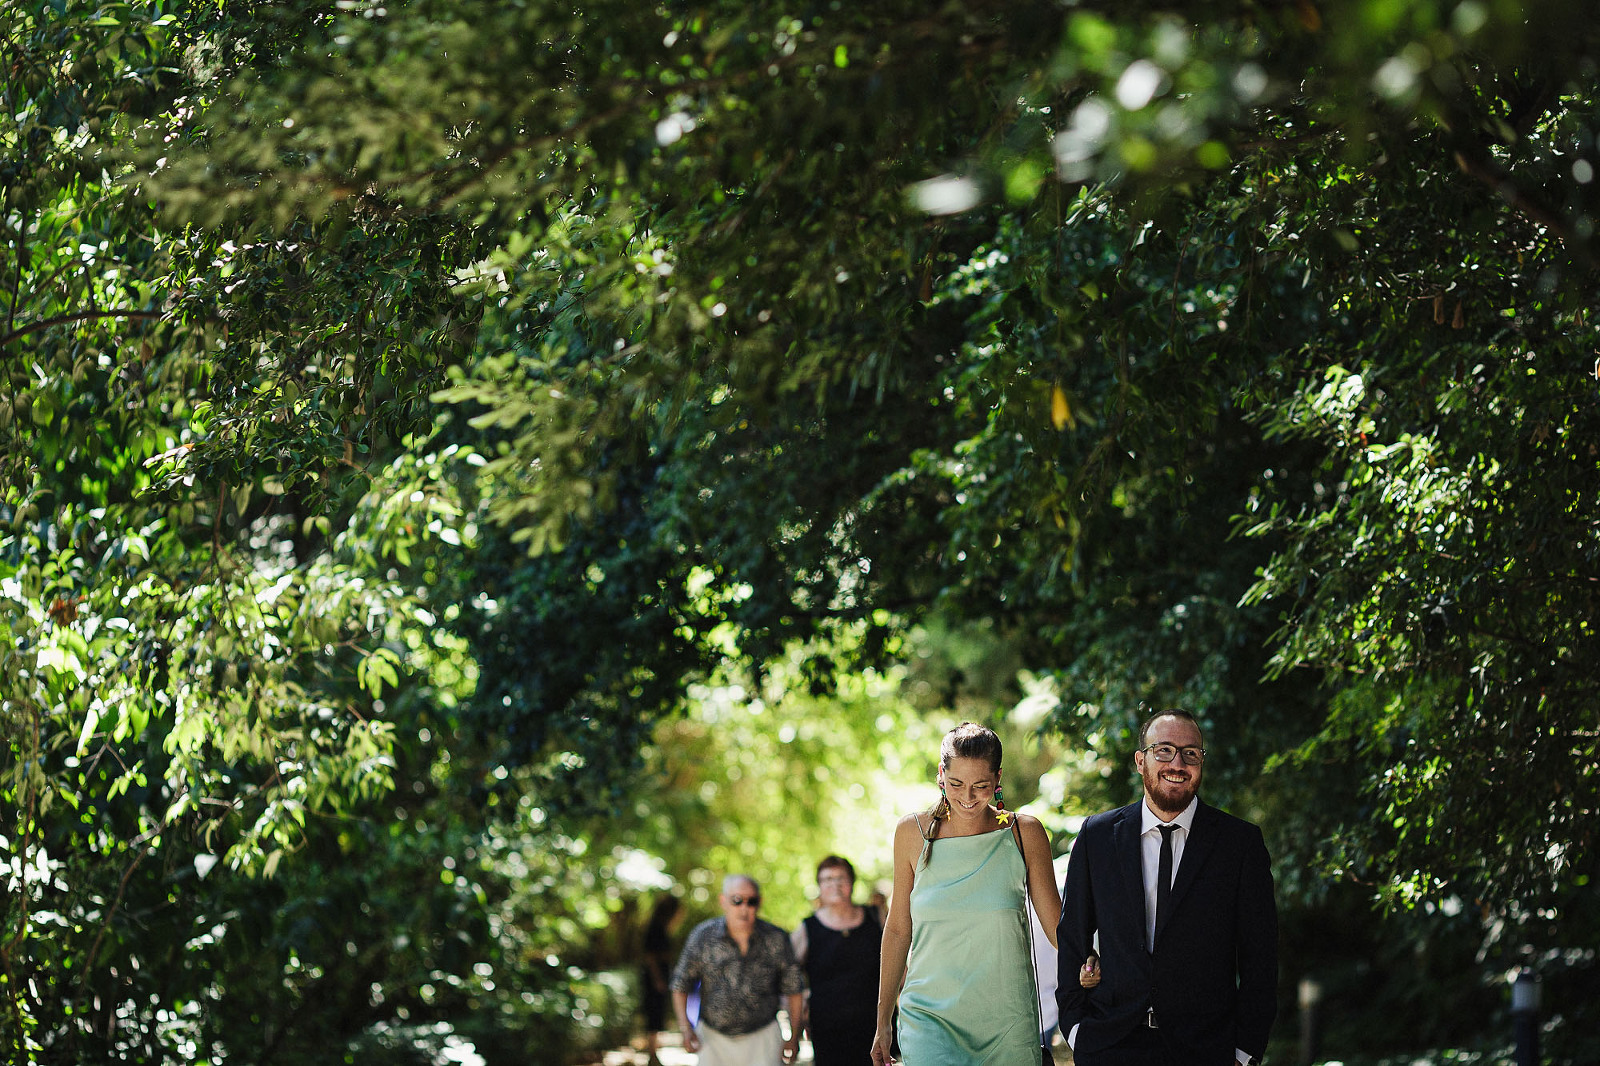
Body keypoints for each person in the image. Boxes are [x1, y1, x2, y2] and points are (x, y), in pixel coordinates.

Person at [1056, 709, 1278, 1066]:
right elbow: (1071, 936)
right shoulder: (1097, 836)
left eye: (1191, 753)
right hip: (1110, 1045)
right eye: (1164, 751)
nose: (1178, 763)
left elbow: (1260, 958)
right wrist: (1076, 1028)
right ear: (1140, 761)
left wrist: (1244, 1050)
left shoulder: (1240, 844)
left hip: (1206, 1049)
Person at [870, 721, 1099, 1066]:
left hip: (1008, 1022)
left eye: (981, 786)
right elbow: (900, 929)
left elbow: (1056, 925)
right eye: (956, 784)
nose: (967, 797)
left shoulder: (1024, 833)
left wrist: (1087, 956)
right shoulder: (911, 833)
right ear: (940, 774)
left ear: (998, 779)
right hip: (930, 1019)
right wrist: (883, 1021)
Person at [671, 874, 806, 1066]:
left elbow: (794, 989)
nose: (744, 908)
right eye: (737, 900)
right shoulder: (703, 936)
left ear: (759, 903)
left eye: (751, 901)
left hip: (763, 1037)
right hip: (713, 1040)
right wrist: (685, 1029)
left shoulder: (776, 938)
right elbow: (680, 984)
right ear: (723, 901)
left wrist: (794, 1036)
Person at [792, 856, 882, 1066]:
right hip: (827, 1028)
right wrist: (800, 1010)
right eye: (827, 879)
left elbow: (899, 966)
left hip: (874, 1026)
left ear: (851, 882)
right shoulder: (807, 928)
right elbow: (788, 978)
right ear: (819, 886)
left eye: (841, 878)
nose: (835, 885)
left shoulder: (876, 918)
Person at [640, 894, 683, 1066]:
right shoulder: (655, 928)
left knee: (658, 1013)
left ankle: (654, 1052)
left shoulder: (662, 928)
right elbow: (650, 957)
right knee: (654, 1013)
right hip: (654, 979)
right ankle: (652, 1053)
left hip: (661, 977)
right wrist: (657, 978)